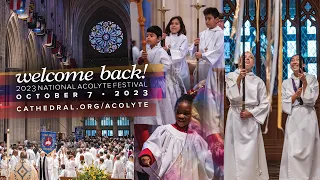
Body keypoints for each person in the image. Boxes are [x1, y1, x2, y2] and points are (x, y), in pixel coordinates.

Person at [138, 94, 214, 180]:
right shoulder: (164, 131)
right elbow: (152, 145)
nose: (181, 116)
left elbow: (205, 163)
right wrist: (148, 155)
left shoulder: (197, 139)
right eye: (178, 112)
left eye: (186, 113)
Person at [134, 25, 182, 150]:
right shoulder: (143, 51)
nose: (148, 38)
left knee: (160, 113)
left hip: (157, 84)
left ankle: (162, 139)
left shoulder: (161, 51)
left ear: (159, 38)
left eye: (152, 36)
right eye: (147, 35)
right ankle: (148, 140)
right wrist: (140, 62)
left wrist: (150, 66)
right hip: (146, 84)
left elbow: (167, 66)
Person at [224, 51, 269, 180]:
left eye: (251, 58)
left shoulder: (258, 81)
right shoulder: (231, 76)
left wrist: (252, 113)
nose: (248, 59)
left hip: (251, 118)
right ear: (239, 61)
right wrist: (238, 80)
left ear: (254, 63)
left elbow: (265, 103)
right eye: (245, 57)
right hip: (236, 116)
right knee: (234, 150)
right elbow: (232, 97)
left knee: (251, 152)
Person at [279, 54, 320, 180]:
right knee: (292, 149)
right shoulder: (286, 82)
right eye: (292, 60)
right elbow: (284, 103)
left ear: (303, 65)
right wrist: (295, 96)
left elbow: (311, 99)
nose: (294, 62)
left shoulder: (312, 78)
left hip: (308, 116)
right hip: (294, 116)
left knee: (308, 149)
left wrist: (305, 82)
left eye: (297, 60)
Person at [189, 7, 224, 83]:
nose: (207, 21)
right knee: (200, 91)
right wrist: (195, 45)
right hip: (201, 68)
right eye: (205, 19)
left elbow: (218, 51)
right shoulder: (202, 34)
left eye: (209, 18)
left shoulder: (220, 33)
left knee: (213, 93)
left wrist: (203, 55)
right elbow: (192, 51)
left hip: (214, 68)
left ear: (217, 20)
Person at [163, 16, 191, 91]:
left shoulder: (183, 38)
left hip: (180, 67)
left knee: (180, 89)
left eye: (176, 24)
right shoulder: (165, 37)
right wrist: (160, 40)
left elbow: (182, 53)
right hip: (167, 67)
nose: (173, 25)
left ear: (180, 26)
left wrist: (169, 51)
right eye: (172, 23)